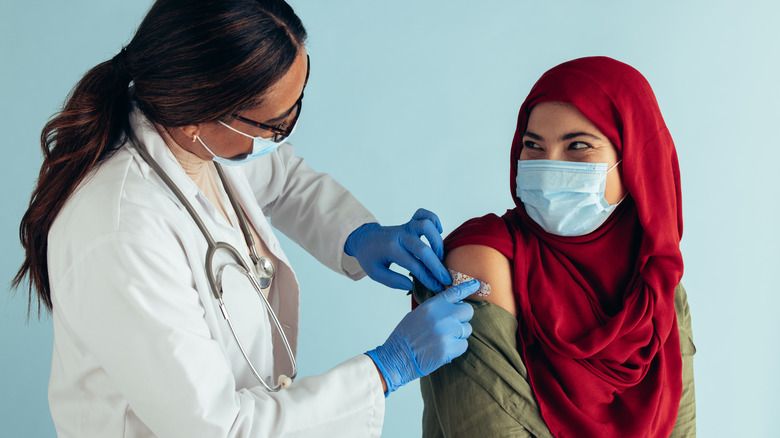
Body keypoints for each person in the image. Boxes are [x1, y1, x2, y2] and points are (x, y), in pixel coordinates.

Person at [12, 1, 478, 436]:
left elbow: (283, 177)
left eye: (296, 108)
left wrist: (360, 235)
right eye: (276, 124)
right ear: (200, 116)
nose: (286, 133)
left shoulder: (188, 140)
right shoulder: (120, 231)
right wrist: (385, 369)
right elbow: (220, 428)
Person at [412, 57, 696, 437]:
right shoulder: (482, 258)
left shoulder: (660, 291)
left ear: (636, 166)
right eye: (533, 145)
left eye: (578, 146)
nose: (548, 168)